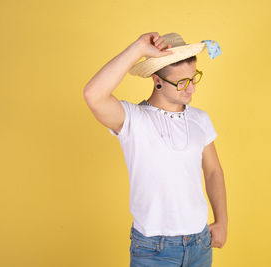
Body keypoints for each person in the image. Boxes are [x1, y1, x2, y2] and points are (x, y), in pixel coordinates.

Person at [83, 32, 227, 266]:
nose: (191, 89)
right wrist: (138, 48)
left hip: (200, 243)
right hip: (154, 249)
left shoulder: (200, 119)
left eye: (194, 78)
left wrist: (222, 221)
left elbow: (213, 172)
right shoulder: (133, 119)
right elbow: (93, 95)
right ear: (157, 80)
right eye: (181, 82)